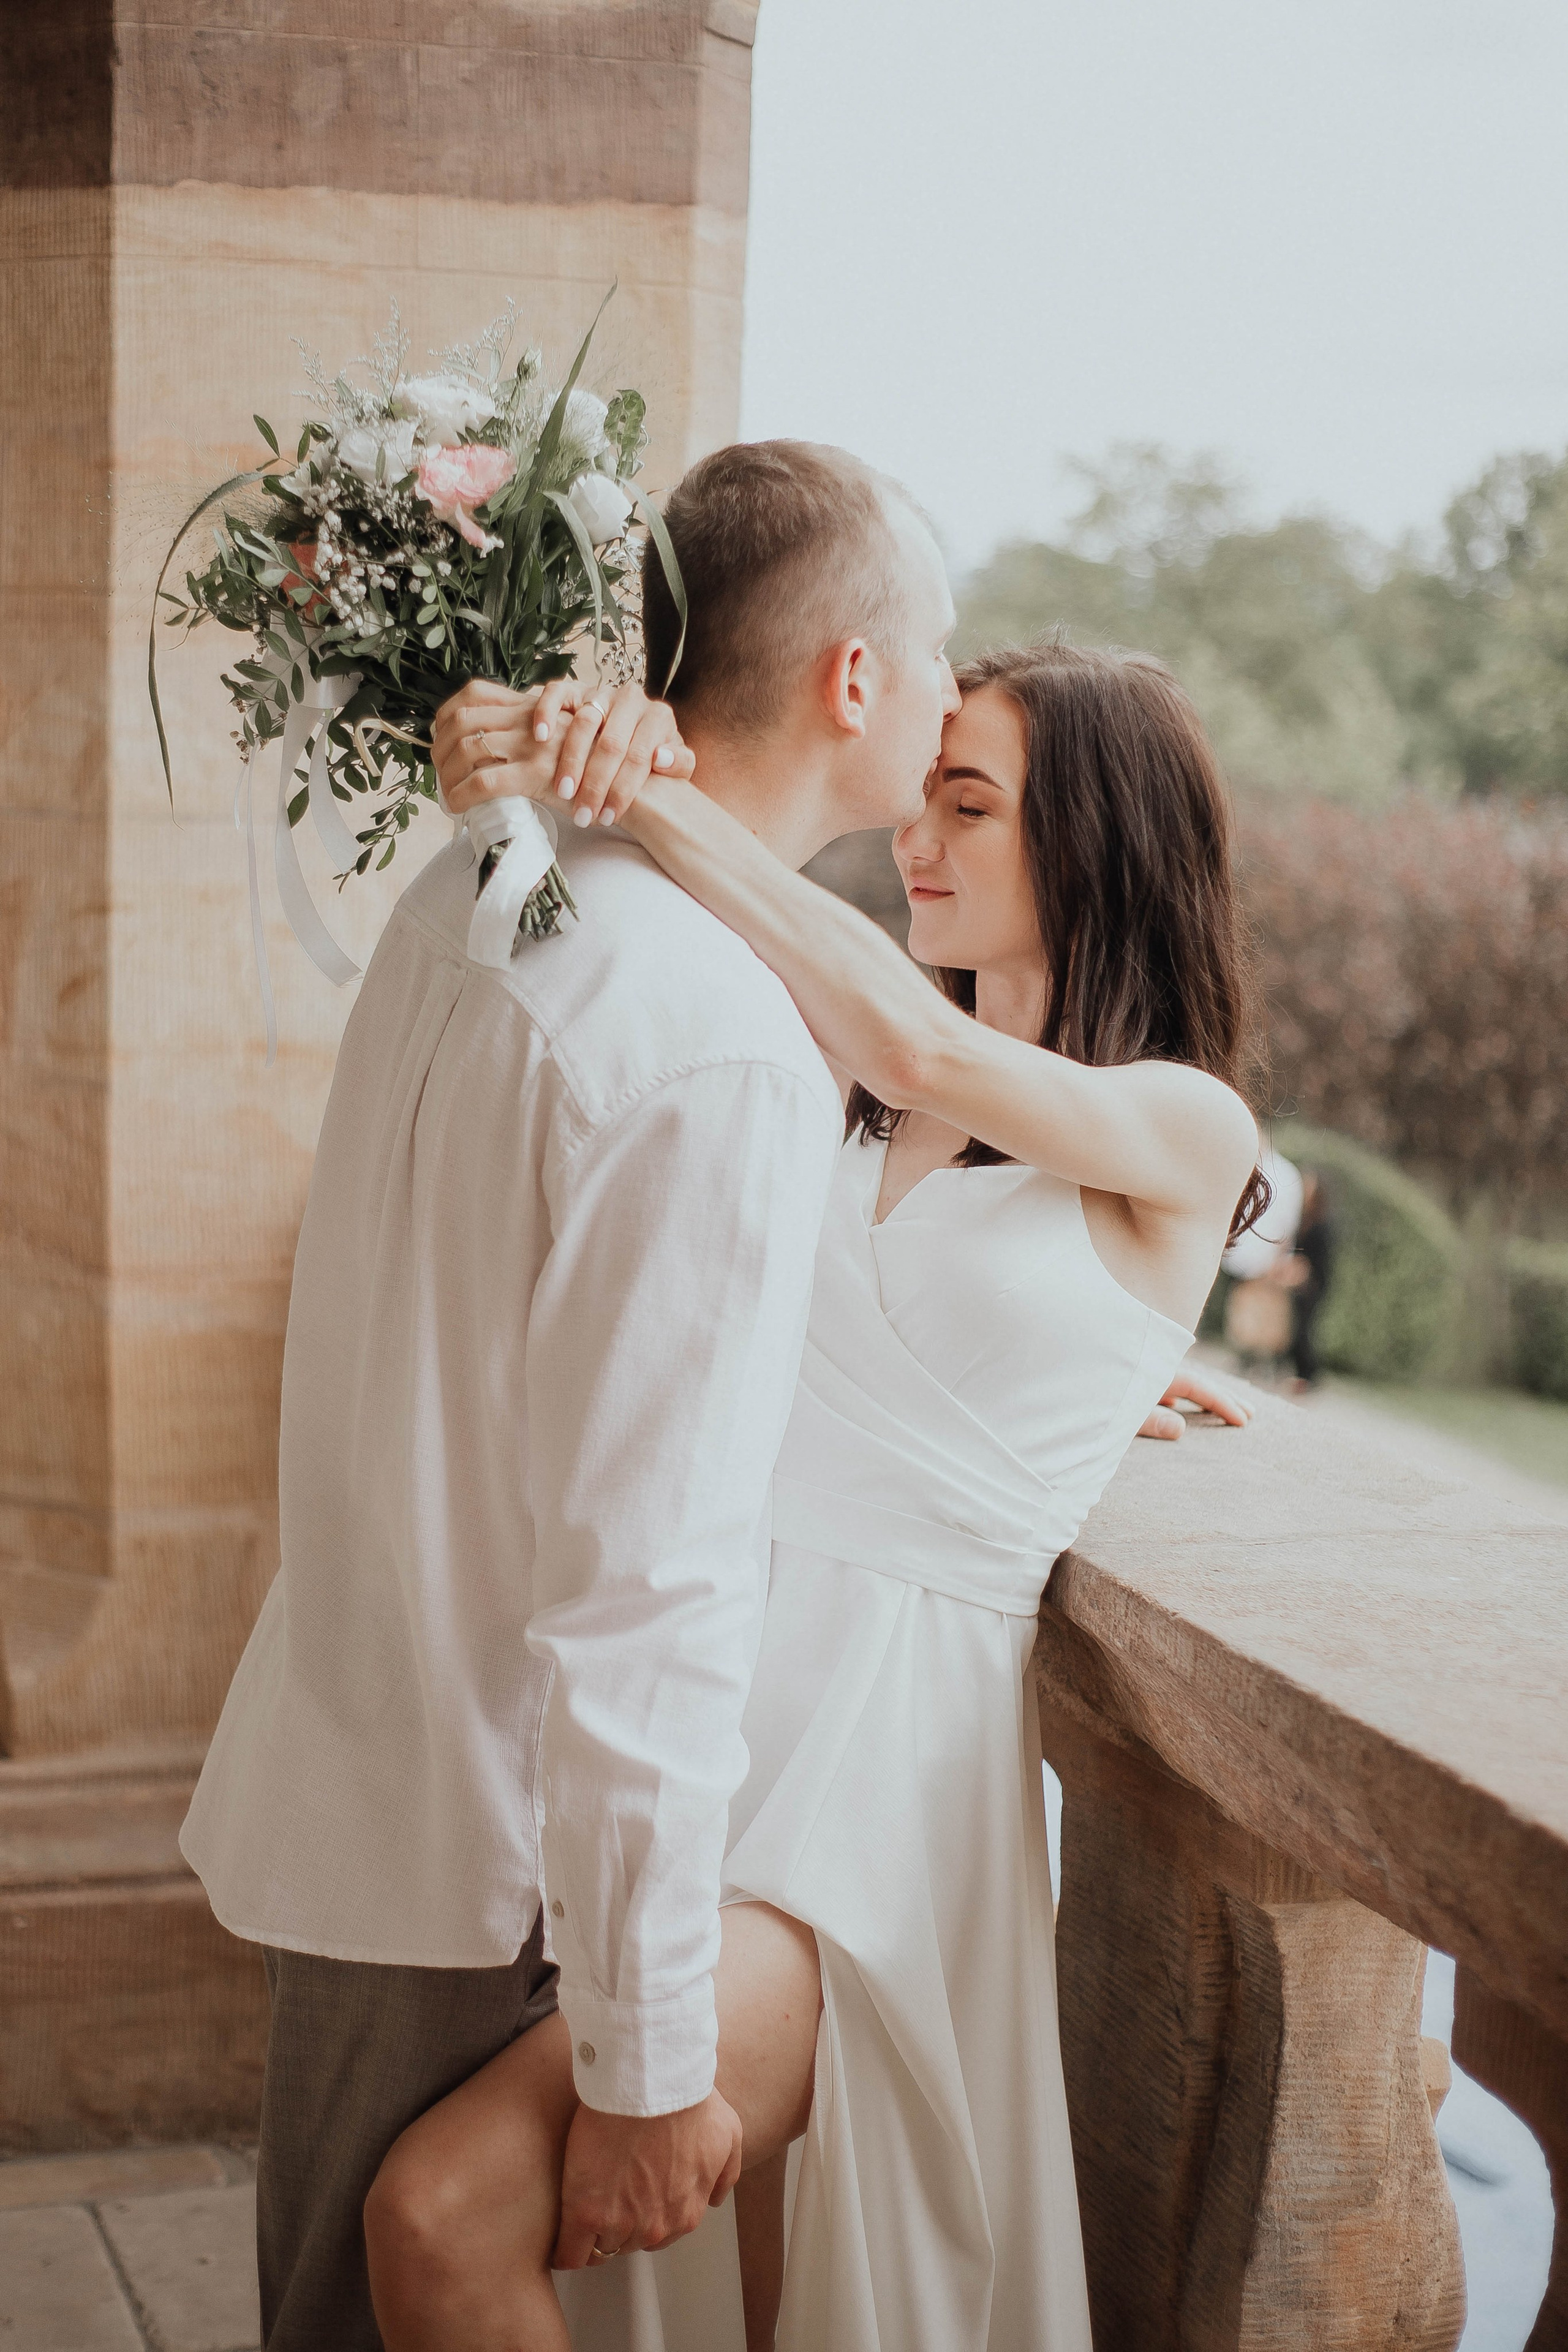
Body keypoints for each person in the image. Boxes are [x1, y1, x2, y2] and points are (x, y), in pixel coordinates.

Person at [369, 620, 1265, 2351]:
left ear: (1098, 835)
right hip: (698, 1729)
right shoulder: (841, 1087)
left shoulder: (1180, 1125)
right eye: (924, 795)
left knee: (442, 2213)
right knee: (725, 2299)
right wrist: (505, 805)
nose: (917, 839)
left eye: (969, 803)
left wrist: (640, 780)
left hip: (870, 1805)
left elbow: (935, 1063)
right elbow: (552, 978)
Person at [178, 442, 971, 2351]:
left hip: (374, 1754)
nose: (951, 697)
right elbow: (650, 1579)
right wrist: (644, 2059)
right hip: (499, 1866)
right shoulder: (712, 1040)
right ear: (854, 679)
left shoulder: (491, 878)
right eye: (937, 655)